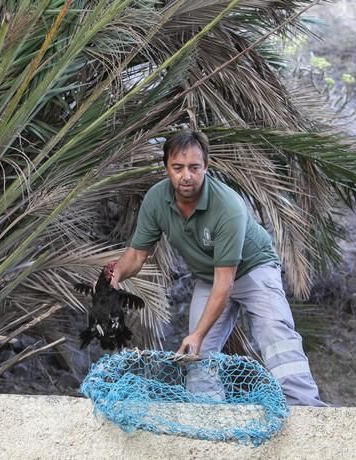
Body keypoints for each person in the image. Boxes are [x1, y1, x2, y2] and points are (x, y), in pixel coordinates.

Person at [110, 129, 326, 406]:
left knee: (274, 332)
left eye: (194, 167)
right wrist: (113, 277)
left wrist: (198, 333)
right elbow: (137, 255)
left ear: (206, 167)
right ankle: (206, 412)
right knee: (196, 353)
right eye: (177, 167)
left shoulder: (228, 206)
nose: (186, 175)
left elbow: (226, 283)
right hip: (209, 277)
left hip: (253, 269)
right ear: (166, 168)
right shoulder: (156, 200)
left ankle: (304, 407)